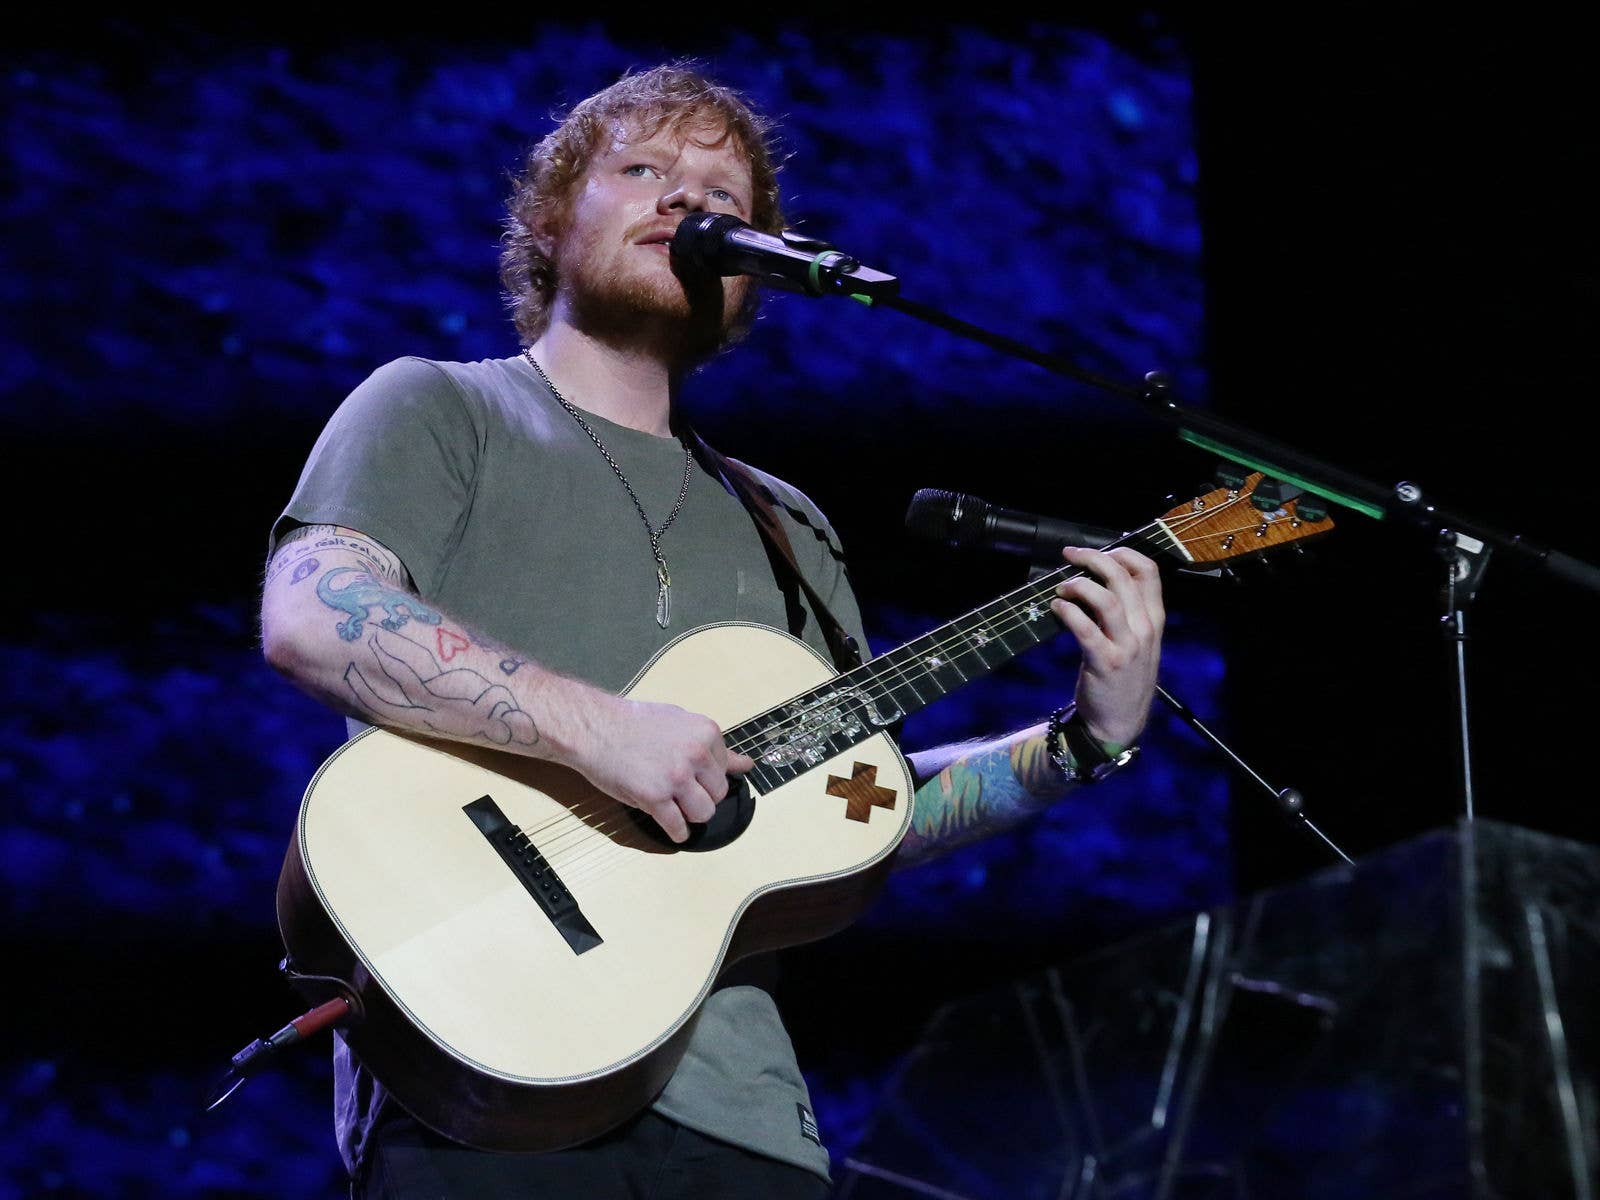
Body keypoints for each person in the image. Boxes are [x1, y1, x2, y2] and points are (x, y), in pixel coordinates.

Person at [260, 63, 1164, 1199]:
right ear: (546, 218)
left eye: (721, 197)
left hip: (747, 1124)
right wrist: (600, 733)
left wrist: (1079, 745)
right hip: (487, 1057)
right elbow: (312, 613)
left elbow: (848, 811)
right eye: (642, 172)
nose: (687, 205)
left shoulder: (787, 525)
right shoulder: (439, 405)